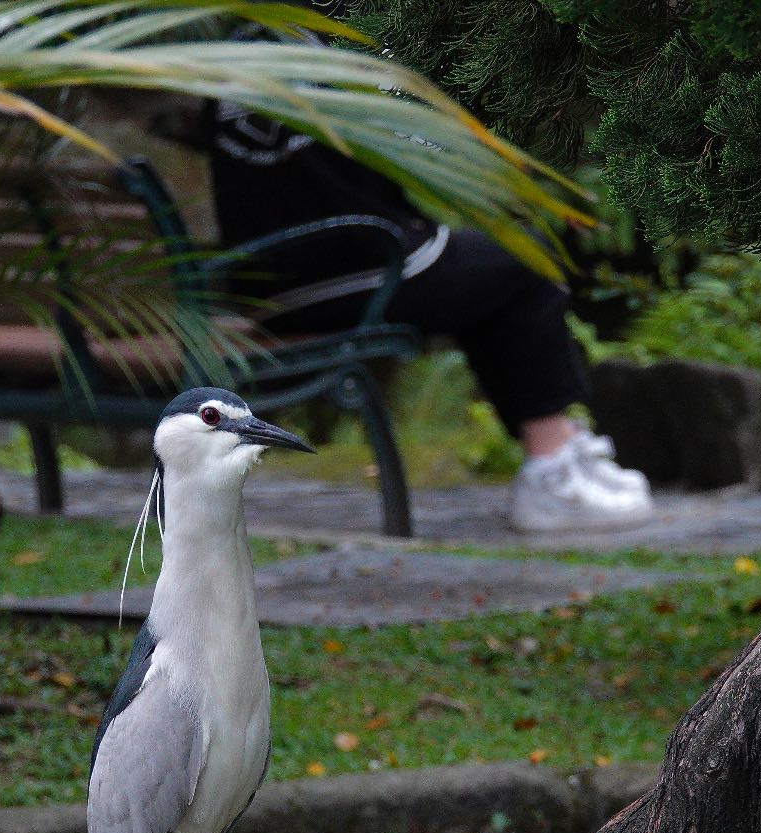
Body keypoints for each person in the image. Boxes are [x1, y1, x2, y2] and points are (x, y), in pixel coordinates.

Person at [206, 99, 652, 529]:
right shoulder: (330, 47)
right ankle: (552, 469)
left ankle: (558, 456)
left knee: (487, 278)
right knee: (524, 261)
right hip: (353, 263)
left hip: (276, 282)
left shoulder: (251, 42)